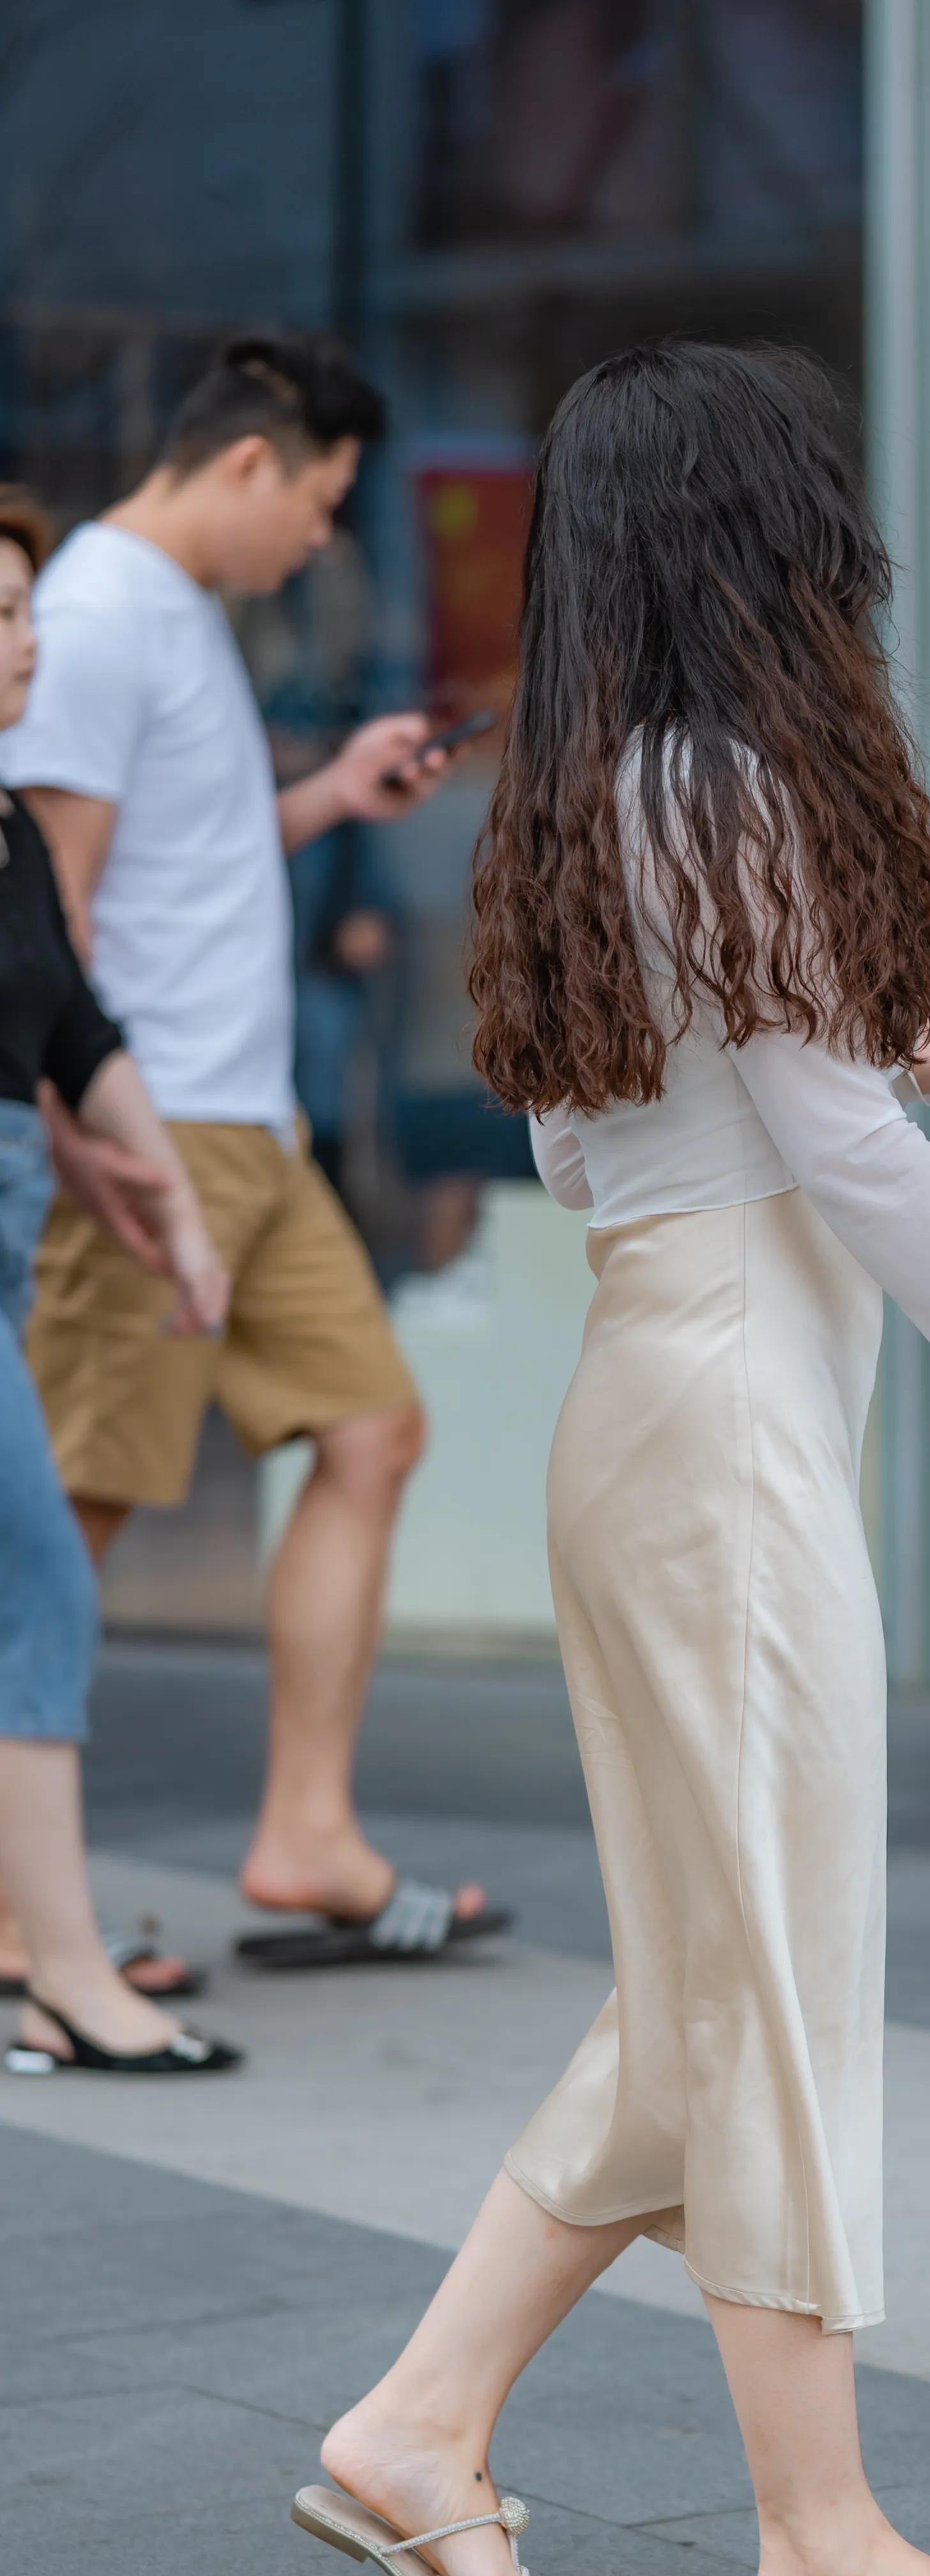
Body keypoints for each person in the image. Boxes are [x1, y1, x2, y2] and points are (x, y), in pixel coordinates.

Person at [304, 342, 930, 2576]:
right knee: (775, 1998)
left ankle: (420, 2431)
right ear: (762, 531)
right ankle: (822, 2556)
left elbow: (664, 1130)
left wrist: (909, 1051)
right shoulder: (725, 778)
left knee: (717, 1988)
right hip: (724, 1445)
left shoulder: (592, 787)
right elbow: (832, 1166)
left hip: (664, 1409)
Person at [0, 332, 502, 1971]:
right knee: (63, 1518)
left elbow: (179, 852)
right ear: (246, 465)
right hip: (153, 1138)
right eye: (325, 501)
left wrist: (330, 796)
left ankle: (304, 1836)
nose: (325, 538)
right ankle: (24, 1916)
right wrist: (91, 1156)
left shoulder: (176, 622)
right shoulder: (83, 620)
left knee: (371, 1433)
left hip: (249, 1127)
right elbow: (47, 916)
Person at [0, 488, 241, 2074]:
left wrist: (162, 1196)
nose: (27, 646)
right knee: (44, 1585)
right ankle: (65, 1974)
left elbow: (69, 1028)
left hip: (14, 1220)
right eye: (3, 619)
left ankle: (47, 1956)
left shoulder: (9, 823)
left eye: (23, 611)